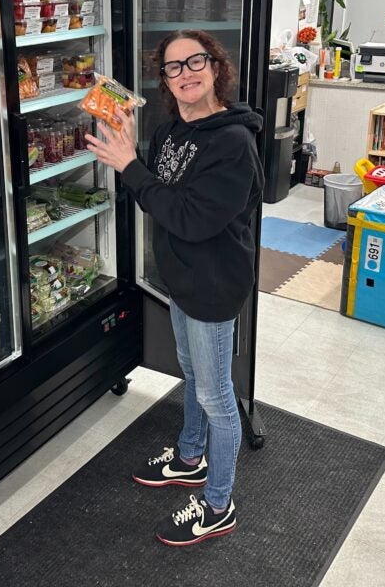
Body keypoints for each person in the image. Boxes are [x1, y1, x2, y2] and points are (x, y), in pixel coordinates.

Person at [84, 29, 263, 546]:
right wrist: (130, 144)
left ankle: (218, 503)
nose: (186, 74)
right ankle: (189, 457)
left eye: (195, 62)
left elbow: (188, 217)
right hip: (181, 279)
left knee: (216, 395)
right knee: (192, 373)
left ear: (216, 67)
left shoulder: (233, 143)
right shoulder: (168, 132)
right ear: (163, 80)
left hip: (212, 285)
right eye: (173, 67)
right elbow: (158, 193)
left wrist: (129, 167)